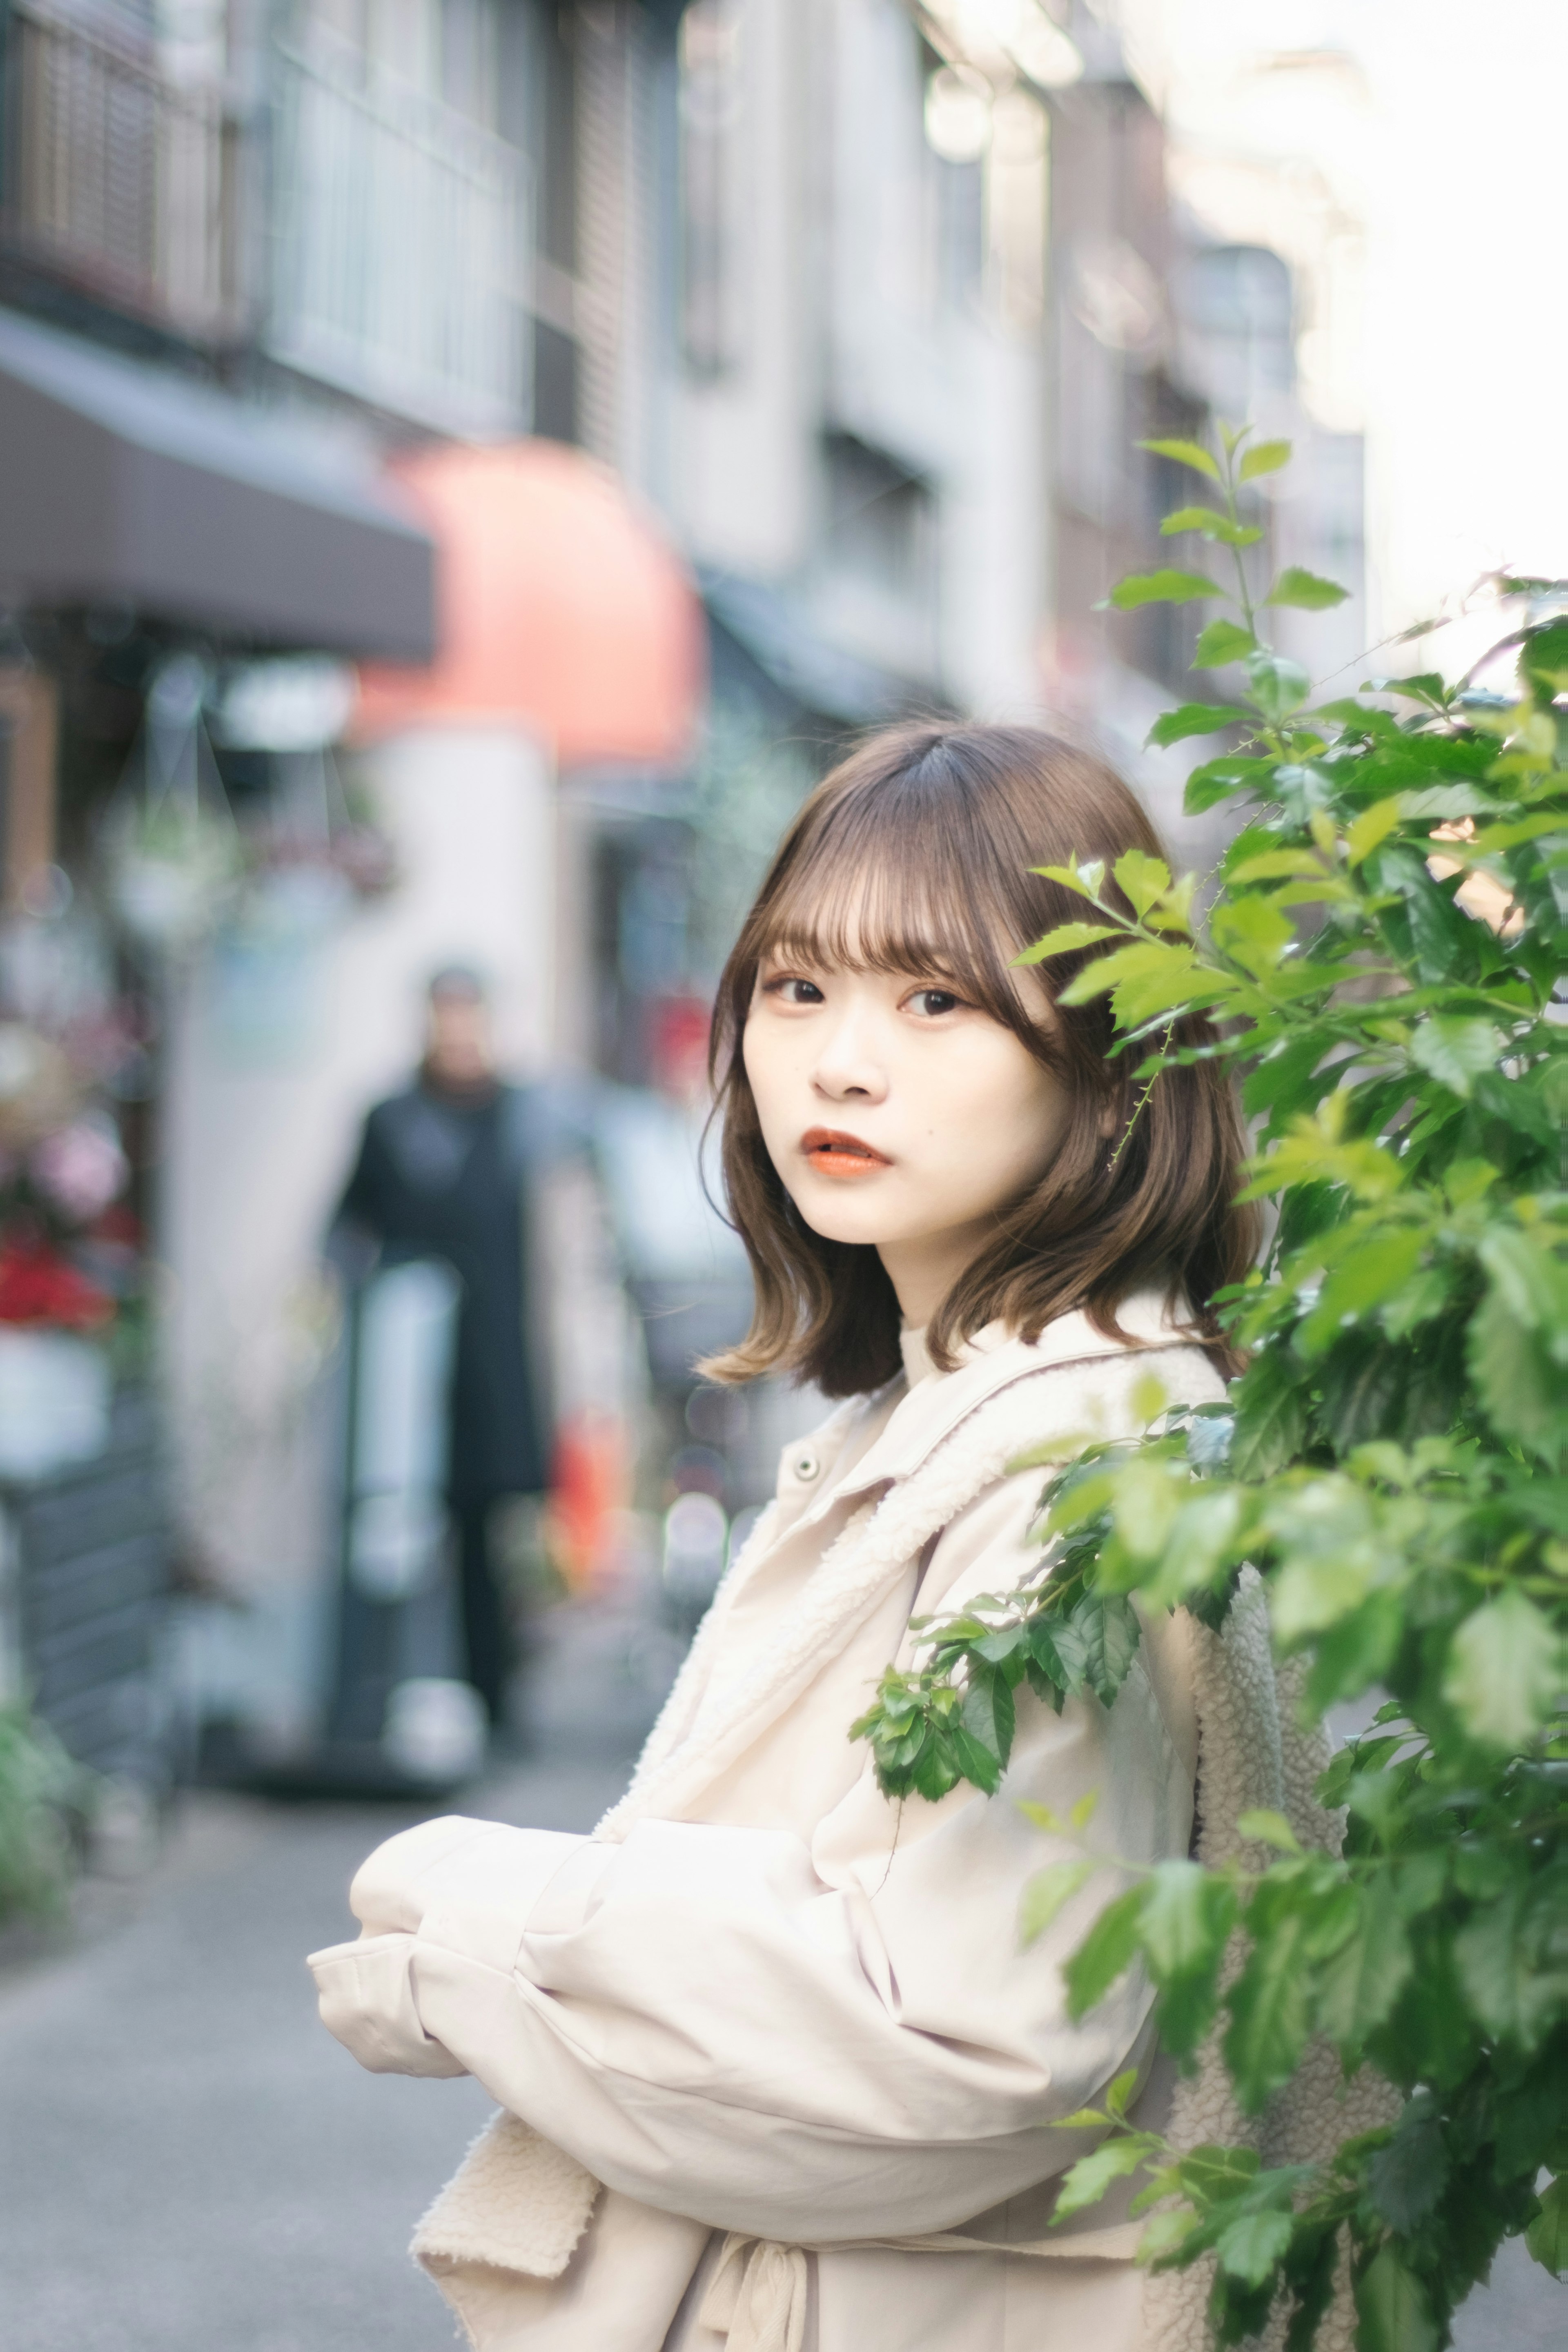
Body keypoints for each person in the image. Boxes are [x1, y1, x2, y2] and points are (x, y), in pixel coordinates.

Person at [307, 726, 1328, 2350]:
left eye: (935, 1001)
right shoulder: (964, 1412)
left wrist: (483, 1918)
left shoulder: (1073, 1452)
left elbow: (967, 2044)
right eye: (798, 990)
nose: (842, 1065)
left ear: (1111, 1051)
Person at [332, 967, 549, 1728]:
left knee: (488, 1538)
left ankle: (492, 1704)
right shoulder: (391, 1119)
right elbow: (346, 1229)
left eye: (468, 1018)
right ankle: (388, 1702)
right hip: (406, 1370)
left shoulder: (520, 1115)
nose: (456, 1034)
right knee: (402, 1529)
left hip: (491, 1359)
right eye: (444, 1018)